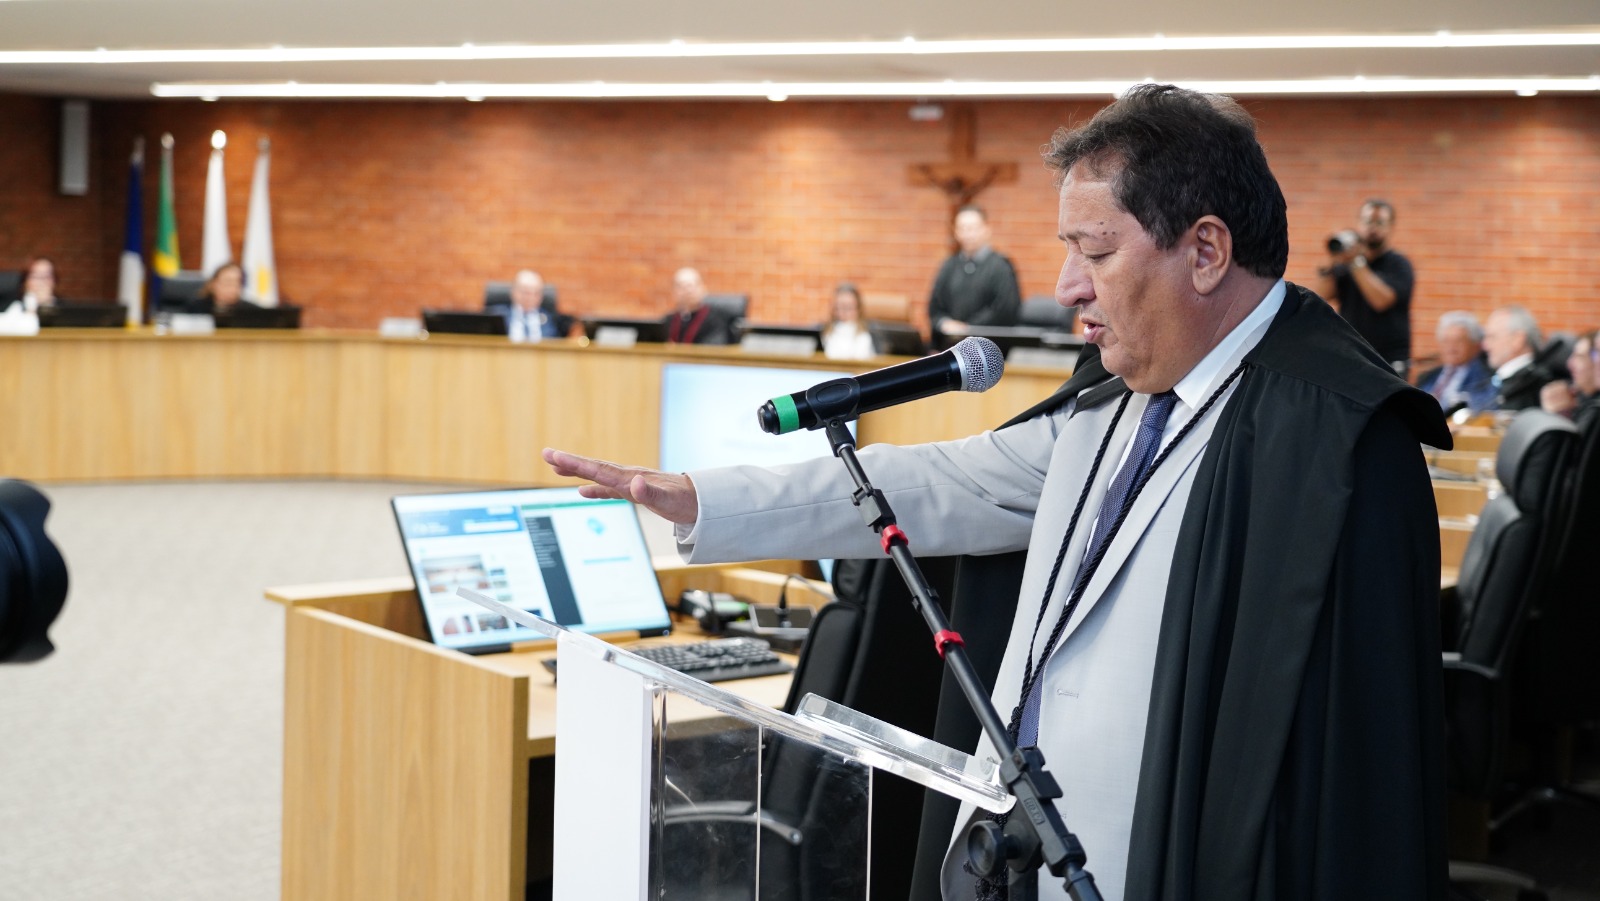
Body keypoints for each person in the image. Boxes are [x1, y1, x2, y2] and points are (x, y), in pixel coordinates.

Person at [545, 84, 1448, 901]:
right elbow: (939, 479)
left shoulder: (1338, 448)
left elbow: (1354, 783)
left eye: (1096, 250)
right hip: (1014, 858)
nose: (1065, 287)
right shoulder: (1113, 401)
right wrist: (695, 496)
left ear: (1206, 250)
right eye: (1067, 250)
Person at [1311, 198, 1416, 375]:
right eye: (1367, 221)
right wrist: (1332, 262)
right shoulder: (1347, 264)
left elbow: (1381, 301)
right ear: (1359, 223)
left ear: (1390, 227)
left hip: (1388, 363)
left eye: (1379, 222)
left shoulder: (1399, 264)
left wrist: (1356, 262)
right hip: (1351, 357)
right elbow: (1320, 296)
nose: (1372, 228)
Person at [927, 205, 1022, 349]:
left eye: (972, 228)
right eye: (962, 228)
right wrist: (944, 323)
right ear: (956, 232)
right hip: (952, 346)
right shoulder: (949, 266)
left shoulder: (1001, 266)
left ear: (986, 230)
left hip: (988, 348)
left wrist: (969, 328)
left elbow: (1005, 309)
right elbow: (935, 306)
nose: (968, 234)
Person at [1416, 311, 1496, 415]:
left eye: (1459, 341)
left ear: (1475, 345)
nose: (1451, 347)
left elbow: (1481, 407)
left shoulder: (1485, 377)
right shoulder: (1428, 377)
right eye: (1446, 341)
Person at [1482, 304, 1557, 411]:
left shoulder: (1535, 385)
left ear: (1518, 339)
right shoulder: (1500, 380)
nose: (1485, 346)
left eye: (1492, 337)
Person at [660, 267, 735, 345]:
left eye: (690, 286)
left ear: (703, 288)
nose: (687, 291)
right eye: (681, 286)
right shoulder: (668, 320)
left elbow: (715, 346)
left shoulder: (716, 319)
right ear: (674, 291)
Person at [1540, 329, 1598, 424]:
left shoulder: (1595, 412)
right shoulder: (1580, 400)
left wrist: (1560, 416)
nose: (1569, 364)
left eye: (1580, 357)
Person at [499, 269, 571, 341]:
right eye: (526, 293)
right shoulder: (500, 315)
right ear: (514, 292)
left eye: (536, 293)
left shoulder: (551, 319)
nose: (531, 298)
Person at [821, 282, 876, 360]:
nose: (843, 312)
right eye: (839, 307)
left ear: (858, 308)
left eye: (848, 307)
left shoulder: (867, 334)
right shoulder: (824, 332)